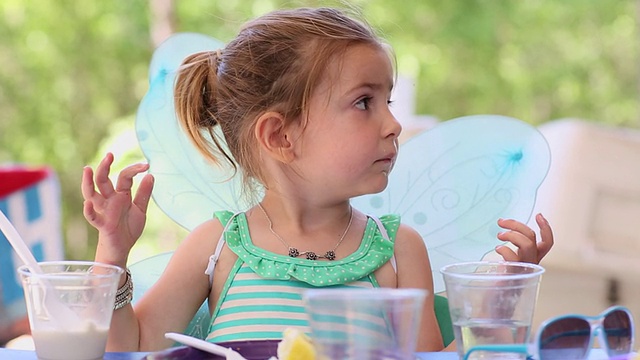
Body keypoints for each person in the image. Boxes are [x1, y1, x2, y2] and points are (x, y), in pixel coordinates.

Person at [81, 7, 554, 353]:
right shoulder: (218, 245)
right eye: (364, 102)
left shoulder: (397, 250)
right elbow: (130, 346)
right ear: (280, 135)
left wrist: (498, 304)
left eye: (388, 102)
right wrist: (112, 254)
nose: (393, 125)